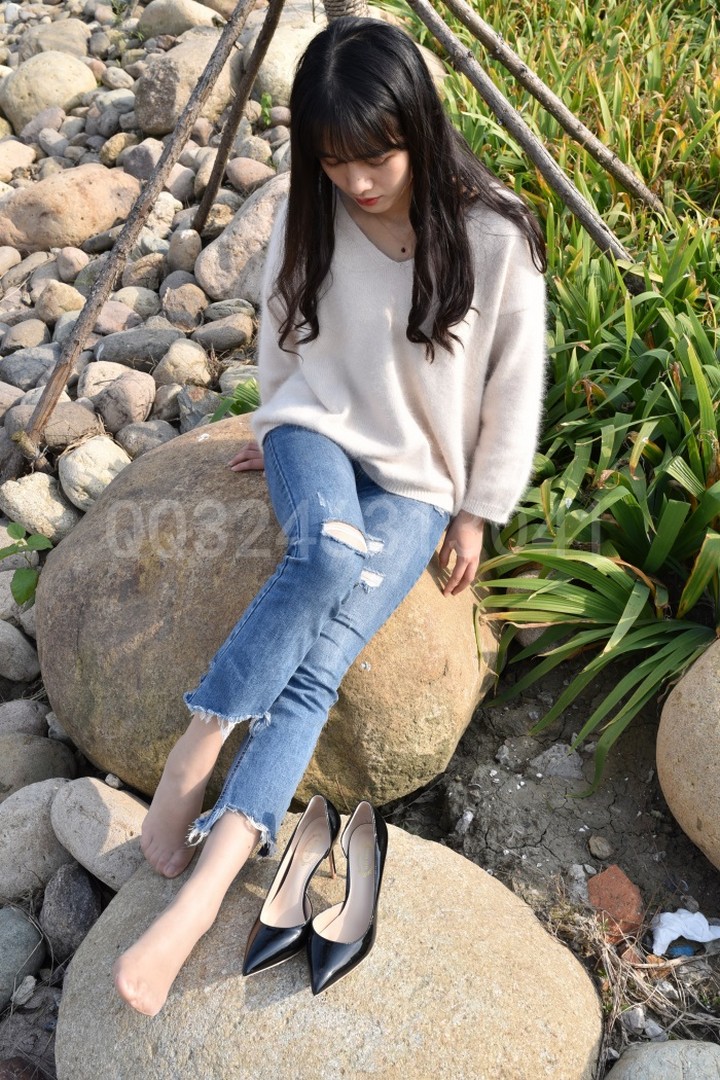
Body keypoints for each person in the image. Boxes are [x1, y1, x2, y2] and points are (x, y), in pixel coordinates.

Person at [113, 15, 546, 1016]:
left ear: (420, 129)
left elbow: (513, 389)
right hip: (316, 430)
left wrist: (476, 513)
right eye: (333, 160)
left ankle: (201, 896)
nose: (355, 182)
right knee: (325, 555)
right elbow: (283, 328)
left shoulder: (495, 234)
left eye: (376, 157)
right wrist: (274, 422)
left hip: (418, 482)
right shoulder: (316, 208)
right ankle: (196, 749)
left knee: (320, 665)